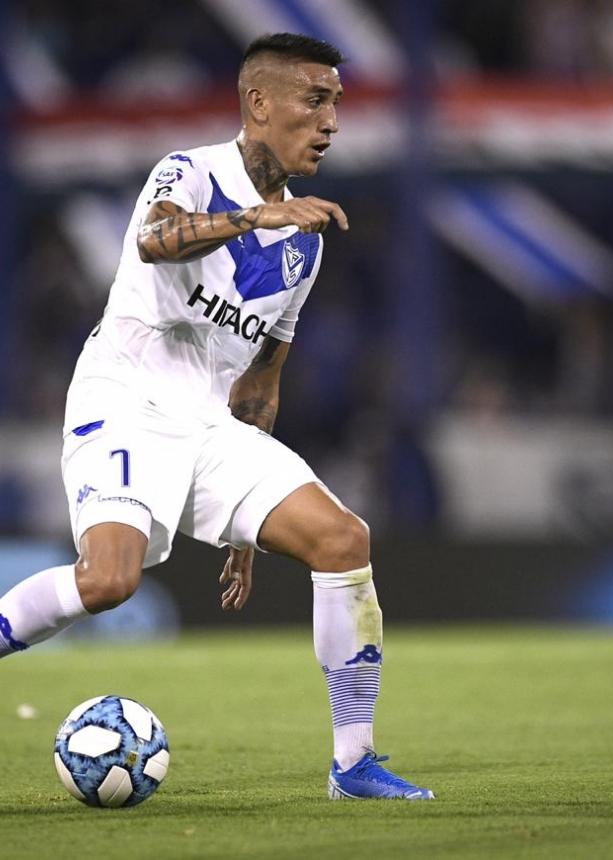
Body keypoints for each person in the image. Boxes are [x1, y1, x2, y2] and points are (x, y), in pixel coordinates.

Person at [0, 32, 434, 802]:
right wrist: (257, 217)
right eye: (316, 100)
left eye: (336, 103)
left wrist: (245, 532)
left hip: (211, 427)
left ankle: (354, 764)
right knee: (108, 581)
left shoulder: (305, 246)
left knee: (343, 540)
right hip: (125, 401)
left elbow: (262, 380)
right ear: (258, 102)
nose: (332, 122)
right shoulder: (192, 171)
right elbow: (156, 239)